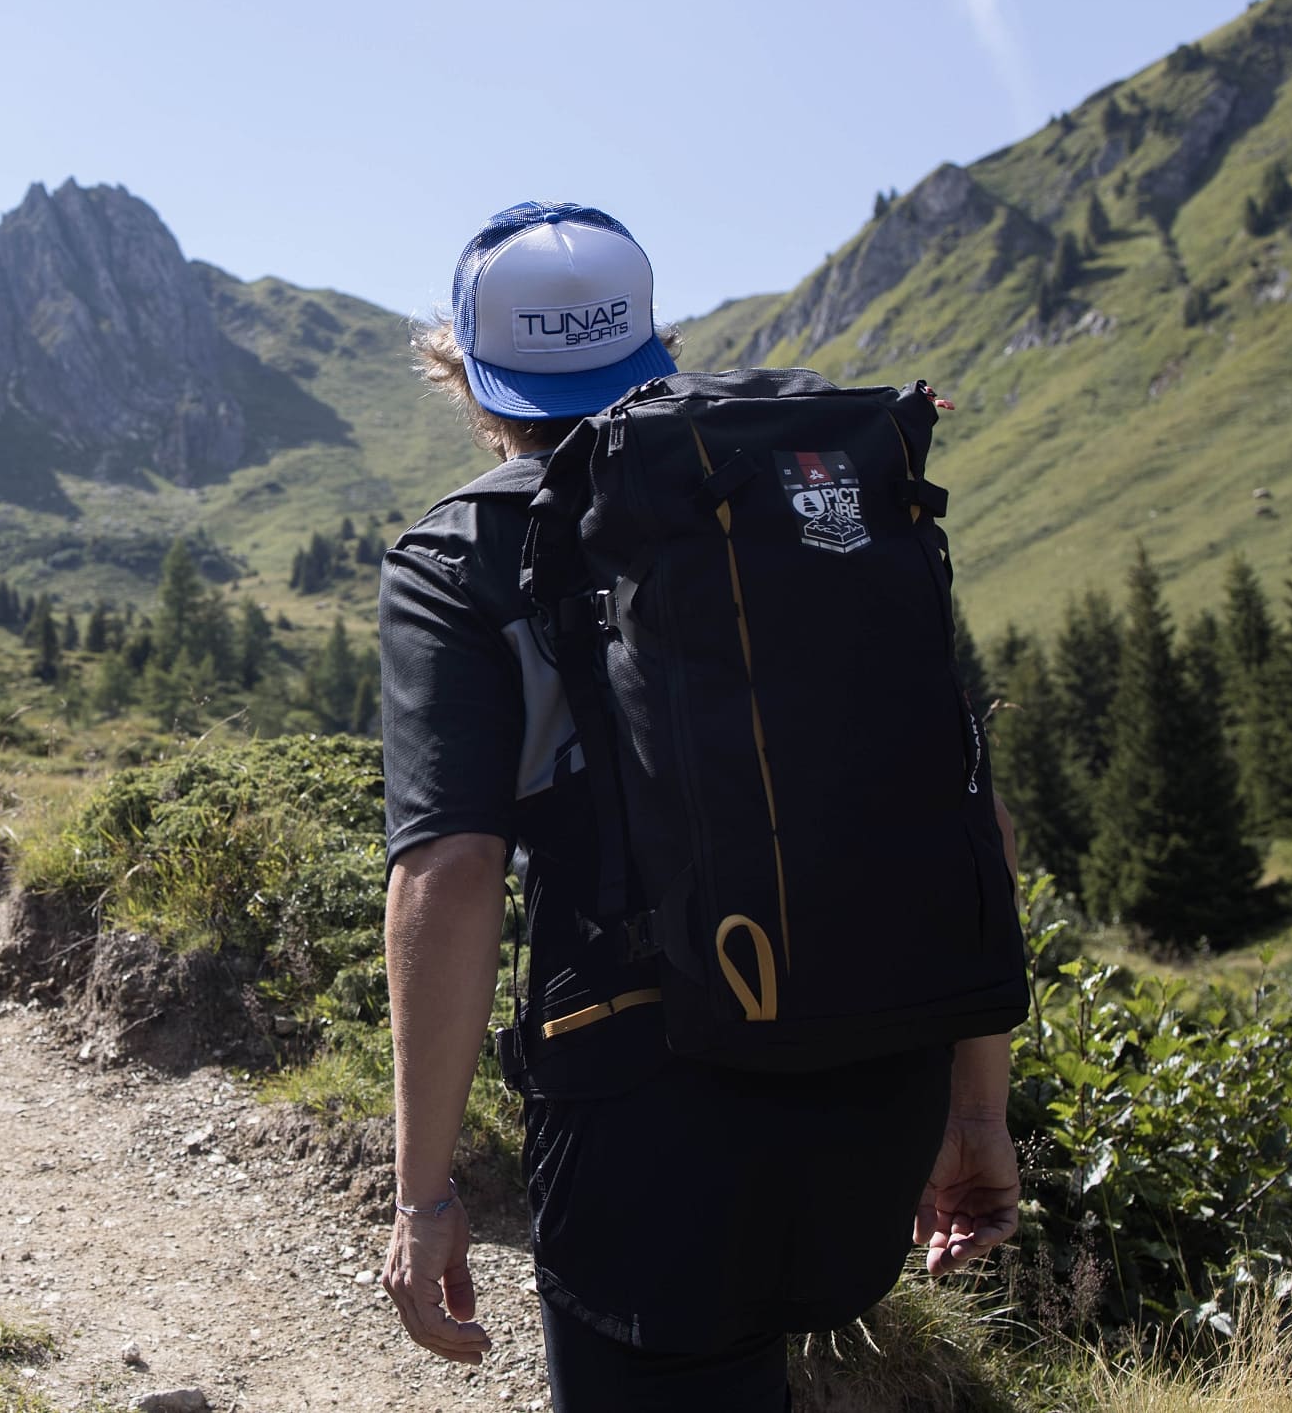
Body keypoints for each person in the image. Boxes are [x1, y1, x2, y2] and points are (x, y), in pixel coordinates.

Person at [373, 200, 1022, 1411]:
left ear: (469, 372)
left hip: (645, 1117)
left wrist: (422, 1194)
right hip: (877, 1085)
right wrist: (976, 1108)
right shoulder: (802, 494)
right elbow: (965, 802)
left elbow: (448, 876)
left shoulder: (461, 554)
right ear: (650, 342)